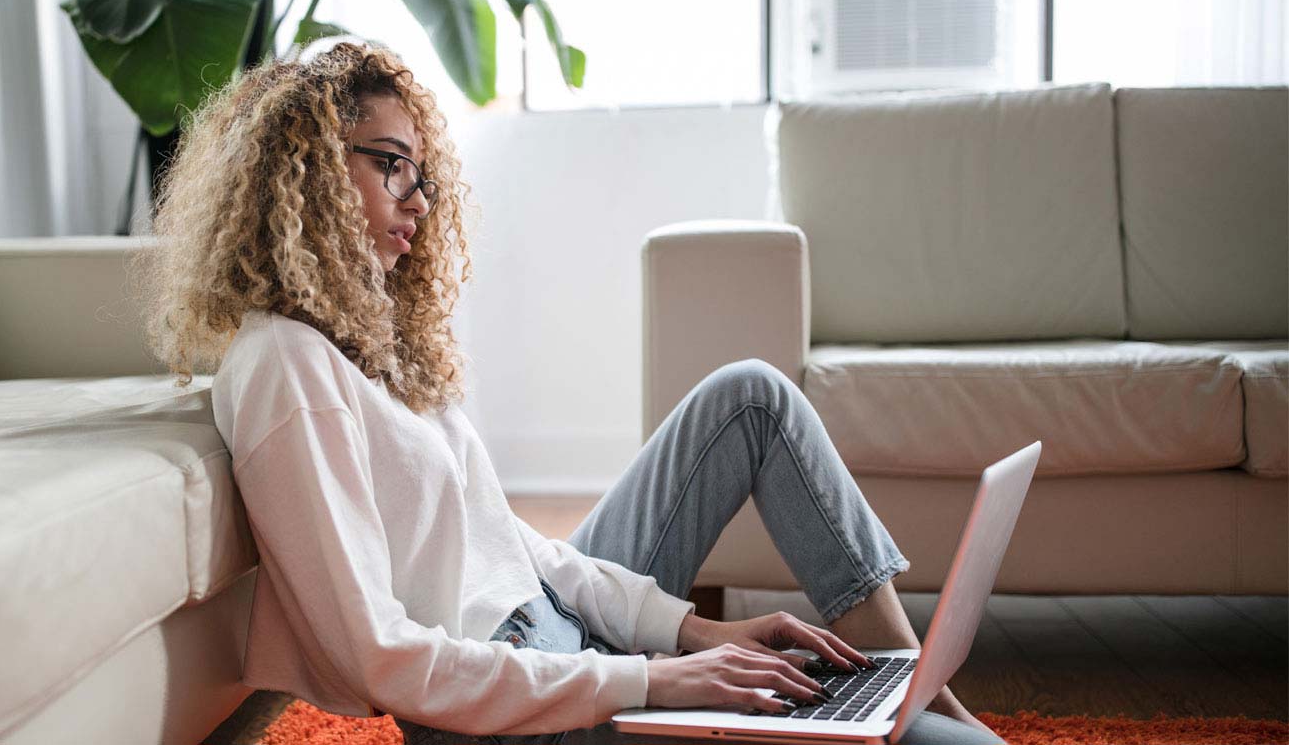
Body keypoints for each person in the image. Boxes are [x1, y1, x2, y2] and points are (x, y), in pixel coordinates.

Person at [137, 41, 1005, 745]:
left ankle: (910, 683)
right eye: (392, 166)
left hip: (559, 639)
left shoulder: (374, 346)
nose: (419, 201)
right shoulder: (285, 366)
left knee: (751, 398)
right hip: (505, 715)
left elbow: (512, 545)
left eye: (423, 175)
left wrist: (689, 634)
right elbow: (379, 657)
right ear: (310, 169)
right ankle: (915, 715)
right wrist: (651, 680)